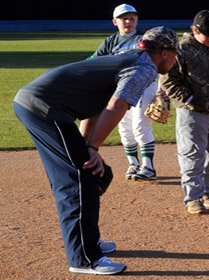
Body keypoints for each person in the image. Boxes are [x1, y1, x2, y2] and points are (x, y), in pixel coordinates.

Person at [13, 26, 178, 274]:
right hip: (44, 108)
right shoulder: (144, 67)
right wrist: (91, 148)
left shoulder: (126, 59)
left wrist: (85, 147)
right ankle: (84, 258)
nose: (175, 60)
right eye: (175, 54)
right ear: (165, 53)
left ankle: (85, 238)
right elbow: (115, 105)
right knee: (80, 179)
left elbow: (95, 108)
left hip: (40, 106)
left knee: (97, 174)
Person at [160, 10, 209, 214]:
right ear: (194, 30)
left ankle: (206, 192)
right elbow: (168, 80)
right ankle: (193, 198)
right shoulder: (181, 51)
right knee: (192, 154)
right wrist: (189, 99)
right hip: (192, 113)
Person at [89, 3, 158, 181]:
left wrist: (162, 91)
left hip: (144, 87)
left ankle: (148, 167)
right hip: (120, 89)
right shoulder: (110, 41)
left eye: (132, 18)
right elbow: (93, 60)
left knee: (140, 126)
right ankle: (133, 164)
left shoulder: (145, 40)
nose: (128, 21)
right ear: (115, 21)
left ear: (137, 20)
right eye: (124, 18)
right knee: (125, 129)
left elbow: (160, 63)